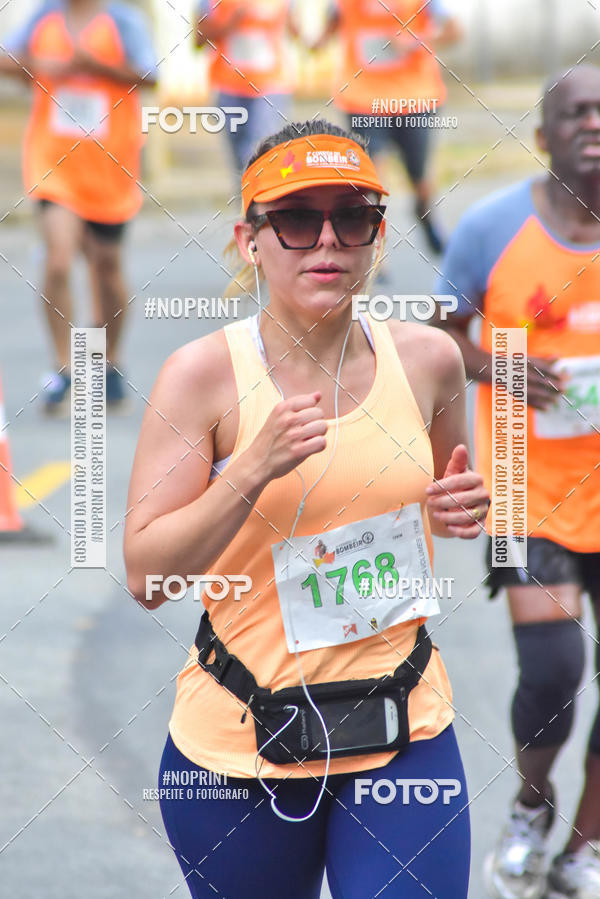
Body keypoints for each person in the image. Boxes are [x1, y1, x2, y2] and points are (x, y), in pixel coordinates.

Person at [124, 119, 490, 898]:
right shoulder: (203, 377)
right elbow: (148, 575)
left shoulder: (429, 358)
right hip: (243, 742)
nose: (326, 240)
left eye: (351, 217)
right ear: (249, 238)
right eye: (295, 219)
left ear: (376, 237)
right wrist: (249, 469)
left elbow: (449, 489)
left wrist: (464, 508)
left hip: (401, 724)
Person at [434, 65, 600, 899]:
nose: (594, 124)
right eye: (576, 113)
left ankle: (586, 845)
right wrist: (498, 359)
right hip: (522, 484)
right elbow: (438, 339)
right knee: (554, 668)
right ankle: (534, 802)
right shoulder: (492, 227)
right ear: (544, 137)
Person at [0, 0, 157, 414]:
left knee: (106, 267)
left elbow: (151, 76)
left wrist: (95, 65)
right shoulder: (43, 15)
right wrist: (35, 64)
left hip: (110, 163)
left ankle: (109, 362)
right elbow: (7, 59)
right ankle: (64, 368)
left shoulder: (124, 19)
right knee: (58, 259)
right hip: (53, 161)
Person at [314, 0, 462, 255]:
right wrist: (314, 42)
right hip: (364, 98)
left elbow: (454, 32)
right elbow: (328, 28)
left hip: (414, 98)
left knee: (419, 177)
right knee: (373, 176)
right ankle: (374, 250)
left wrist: (415, 40)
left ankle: (424, 213)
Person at [194, 0, 300, 174]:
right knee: (241, 159)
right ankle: (246, 195)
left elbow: (295, 30)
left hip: (270, 87)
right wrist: (230, 24)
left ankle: (260, 195)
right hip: (229, 89)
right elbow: (198, 39)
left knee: (259, 151)